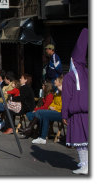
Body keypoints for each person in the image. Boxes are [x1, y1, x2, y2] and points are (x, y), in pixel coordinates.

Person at [62, 28, 88, 175]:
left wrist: (64, 115)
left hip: (77, 113)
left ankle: (85, 165)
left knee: (80, 140)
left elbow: (66, 98)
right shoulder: (88, 72)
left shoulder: (69, 77)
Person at [29, 76, 63, 144]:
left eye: (56, 80)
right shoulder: (57, 92)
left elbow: (63, 106)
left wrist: (54, 108)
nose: (54, 81)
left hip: (60, 113)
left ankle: (37, 133)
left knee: (42, 113)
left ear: (60, 82)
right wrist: (51, 107)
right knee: (43, 114)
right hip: (55, 111)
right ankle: (41, 136)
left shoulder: (64, 92)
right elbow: (52, 103)